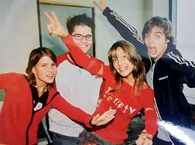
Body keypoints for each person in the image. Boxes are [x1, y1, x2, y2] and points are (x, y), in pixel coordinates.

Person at [93, 0, 195, 144]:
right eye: (147, 36)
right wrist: (106, 10)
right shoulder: (146, 52)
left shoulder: (171, 60)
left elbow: (190, 69)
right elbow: (128, 31)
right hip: (155, 126)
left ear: (167, 39)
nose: (151, 41)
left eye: (157, 36)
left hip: (176, 127)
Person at [45, 11, 158, 145]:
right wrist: (64, 34)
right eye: (115, 59)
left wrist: (149, 134)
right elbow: (82, 59)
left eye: (124, 57)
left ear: (133, 59)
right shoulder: (110, 74)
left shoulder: (145, 91)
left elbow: (151, 116)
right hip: (90, 136)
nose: (120, 64)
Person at [0, 47, 116, 145]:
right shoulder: (17, 81)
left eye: (53, 65)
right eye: (44, 65)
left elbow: (74, 112)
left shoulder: (51, 95)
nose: (50, 70)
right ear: (33, 69)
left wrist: (92, 120)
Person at [47, 13, 104, 145]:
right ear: (69, 37)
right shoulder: (56, 64)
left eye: (88, 36)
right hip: (64, 133)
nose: (84, 41)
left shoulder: (99, 65)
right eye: (78, 36)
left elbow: (102, 95)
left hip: (91, 132)